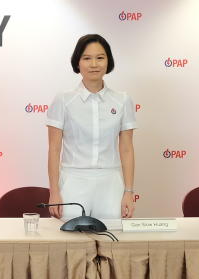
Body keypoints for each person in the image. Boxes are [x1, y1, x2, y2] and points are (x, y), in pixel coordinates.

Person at [46, 34, 136, 220]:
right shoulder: (63, 100)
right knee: (70, 242)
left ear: (108, 61)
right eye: (87, 58)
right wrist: (54, 191)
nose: (94, 64)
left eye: (100, 57)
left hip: (110, 182)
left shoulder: (122, 100)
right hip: (73, 181)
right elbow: (54, 149)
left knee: (112, 242)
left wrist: (128, 191)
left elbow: (127, 149)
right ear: (77, 62)